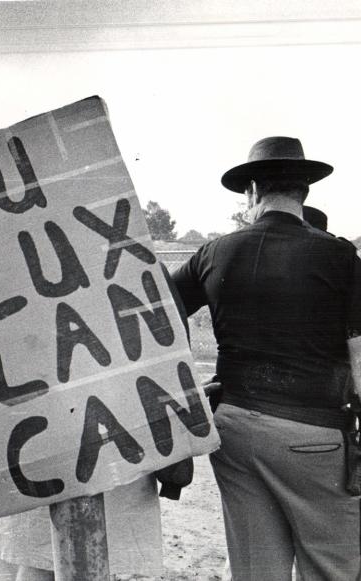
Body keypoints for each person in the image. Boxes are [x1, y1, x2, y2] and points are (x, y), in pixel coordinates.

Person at [172, 136, 361, 581]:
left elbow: (152, 311)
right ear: (306, 191)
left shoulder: (214, 252)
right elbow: (359, 354)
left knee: (257, 571)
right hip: (315, 435)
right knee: (332, 569)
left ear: (251, 191)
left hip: (234, 427)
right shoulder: (340, 256)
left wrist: (184, 388)